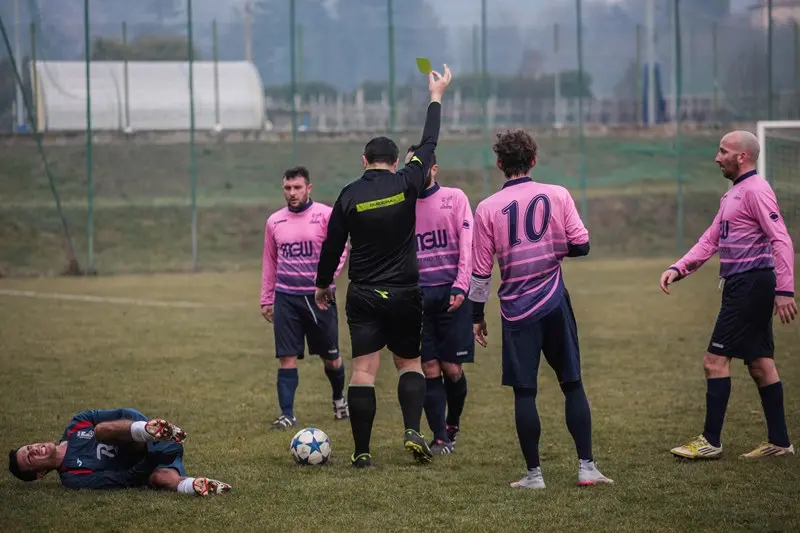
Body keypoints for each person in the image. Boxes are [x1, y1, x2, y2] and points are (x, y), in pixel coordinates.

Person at [313, 65, 453, 468]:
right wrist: (436, 95)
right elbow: (430, 139)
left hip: (364, 294)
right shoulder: (408, 180)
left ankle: (361, 451)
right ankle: (412, 429)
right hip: (406, 293)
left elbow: (332, 246)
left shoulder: (348, 195)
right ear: (396, 162)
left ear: (364, 161)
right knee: (409, 363)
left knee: (364, 370)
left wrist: (323, 285)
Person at [468, 129, 613, 489]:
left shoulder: (487, 208)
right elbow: (582, 246)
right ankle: (587, 468)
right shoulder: (557, 194)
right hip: (554, 302)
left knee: (525, 392)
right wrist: (552, 245)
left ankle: (534, 475)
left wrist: (475, 316)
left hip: (516, 310)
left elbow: (480, 271)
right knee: (572, 383)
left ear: (500, 164)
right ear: (534, 160)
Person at [660, 130, 797, 460]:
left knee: (714, 361)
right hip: (744, 284)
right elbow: (710, 241)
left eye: (723, 151)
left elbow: (781, 239)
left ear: (742, 157)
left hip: (752, 284)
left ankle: (711, 441)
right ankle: (780, 442)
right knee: (760, 364)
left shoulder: (757, 191)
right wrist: (679, 268)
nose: (716, 157)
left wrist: (785, 289)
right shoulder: (734, 194)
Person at [261, 166, 349, 430]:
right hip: (286, 297)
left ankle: (338, 399)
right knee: (286, 357)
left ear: (308, 188)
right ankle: (287, 414)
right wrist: (267, 297)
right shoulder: (274, 221)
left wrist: (326, 282)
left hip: (319, 298)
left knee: (331, 358)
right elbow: (270, 261)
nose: (292, 193)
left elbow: (341, 248)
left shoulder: (325, 215)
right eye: (287, 188)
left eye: (297, 187)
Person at [405, 145, 473, 455]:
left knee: (452, 368)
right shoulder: (403, 206)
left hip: (451, 292)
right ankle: (439, 436)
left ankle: (453, 421)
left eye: (421, 166)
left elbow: (467, 244)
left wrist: (461, 285)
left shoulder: (455, 199)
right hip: (418, 297)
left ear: (434, 169)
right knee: (429, 366)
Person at [8, 408, 231, 496]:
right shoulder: (73, 478)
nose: (35, 449)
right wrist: (153, 458)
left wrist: (146, 429)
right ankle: (195, 485)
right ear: (39, 474)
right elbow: (124, 479)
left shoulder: (76, 425)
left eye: (29, 447)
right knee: (159, 478)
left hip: (142, 439)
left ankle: (152, 431)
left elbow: (124, 412)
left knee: (101, 430)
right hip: (153, 460)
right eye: (31, 457)